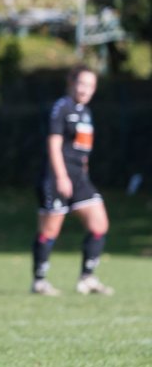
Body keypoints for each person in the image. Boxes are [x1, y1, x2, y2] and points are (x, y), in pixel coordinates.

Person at [31, 64, 113, 296]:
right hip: (57, 176)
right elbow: (54, 145)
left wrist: (82, 174)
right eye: (82, 84)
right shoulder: (62, 108)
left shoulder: (86, 112)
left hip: (79, 178)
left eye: (91, 85)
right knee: (49, 230)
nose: (86, 89)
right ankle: (39, 281)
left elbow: (83, 149)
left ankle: (87, 278)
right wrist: (61, 176)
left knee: (99, 225)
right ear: (71, 83)